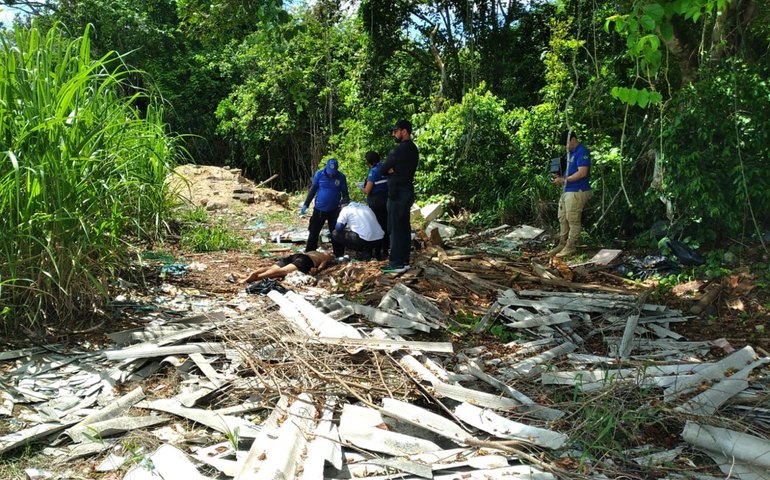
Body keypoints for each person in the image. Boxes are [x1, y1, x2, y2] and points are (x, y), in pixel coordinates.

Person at [379, 119, 418, 273]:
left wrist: (391, 170)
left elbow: (383, 169)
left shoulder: (398, 150)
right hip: (408, 191)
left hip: (397, 193)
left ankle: (396, 262)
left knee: (395, 228)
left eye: (396, 131)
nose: (394, 134)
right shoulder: (414, 149)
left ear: (404, 131)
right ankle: (404, 261)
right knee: (404, 227)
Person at [548, 129, 592, 258]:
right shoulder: (569, 154)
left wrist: (563, 180)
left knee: (573, 218)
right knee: (562, 217)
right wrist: (559, 175)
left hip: (577, 190)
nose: (565, 146)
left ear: (573, 140)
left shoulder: (582, 151)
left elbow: (582, 172)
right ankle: (563, 243)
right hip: (567, 190)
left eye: (566, 143)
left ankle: (571, 246)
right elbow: (569, 171)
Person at [301, 158, 349, 257]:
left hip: (334, 210)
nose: (331, 174)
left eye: (333, 172)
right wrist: (306, 204)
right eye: (329, 172)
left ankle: (339, 255)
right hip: (319, 210)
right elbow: (313, 190)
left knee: (335, 233)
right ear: (326, 167)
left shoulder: (341, 177)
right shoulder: (319, 174)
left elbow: (345, 193)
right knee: (314, 232)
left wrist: (345, 205)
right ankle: (309, 254)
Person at [241, 251, 334, 283]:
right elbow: (322, 266)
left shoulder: (315, 252)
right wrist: (318, 270)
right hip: (305, 261)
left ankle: (249, 275)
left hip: (297, 255)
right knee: (282, 271)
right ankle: (255, 278)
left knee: (272, 268)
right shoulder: (326, 257)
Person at [361, 150, 389, 259]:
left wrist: (362, 188)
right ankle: (385, 249)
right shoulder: (385, 167)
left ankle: (378, 252)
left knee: (377, 226)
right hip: (386, 200)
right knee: (385, 226)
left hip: (376, 203)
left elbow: (368, 190)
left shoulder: (373, 171)